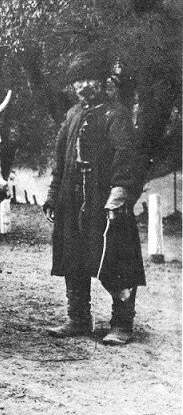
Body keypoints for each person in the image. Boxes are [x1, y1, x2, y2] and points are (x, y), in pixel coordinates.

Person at [43, 51, 146, 345]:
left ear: (103, 82)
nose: (82, 86)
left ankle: (122, 325)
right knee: (73, 256)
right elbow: (60, 159)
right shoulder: (73, 115)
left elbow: (126, 156)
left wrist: (119, 193)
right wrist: (53, 195)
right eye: (77, 81)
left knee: (115, 257)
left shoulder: (117, 114)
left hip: (105, 200)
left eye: (88, 79)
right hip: (73, 199)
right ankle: (78, 319)